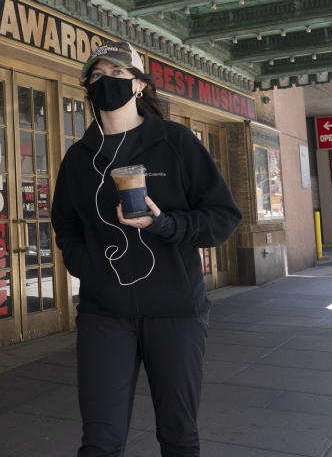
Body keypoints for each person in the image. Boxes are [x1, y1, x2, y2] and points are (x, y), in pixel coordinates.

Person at [51, 40, 241, 457]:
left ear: (139, 85)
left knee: (178, 436)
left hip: (176, 313)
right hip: (105, 314)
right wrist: (87, 266)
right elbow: (65, 223)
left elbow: (223, 217)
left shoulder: (174, 142)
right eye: (97, 76)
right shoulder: (79, 158)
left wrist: (166, 224)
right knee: (99, 441)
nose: (106, 82)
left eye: (117, 74)